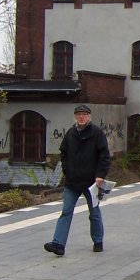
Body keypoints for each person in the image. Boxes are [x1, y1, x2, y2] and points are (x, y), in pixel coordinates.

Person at [44, 104, 110, 256]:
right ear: (75, 116)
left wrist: (100, 175)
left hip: (91, 182)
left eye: (84, 114)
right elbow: (63, 152)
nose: (81, 117)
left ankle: (98, 240)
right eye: (78, 114)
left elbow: (104, 156)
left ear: (89, 116)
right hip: (72, 182)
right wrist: (66, 169)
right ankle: (58, 244)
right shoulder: (71, 133)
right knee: (66, 212)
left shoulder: (97, 133)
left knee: (94, 213)